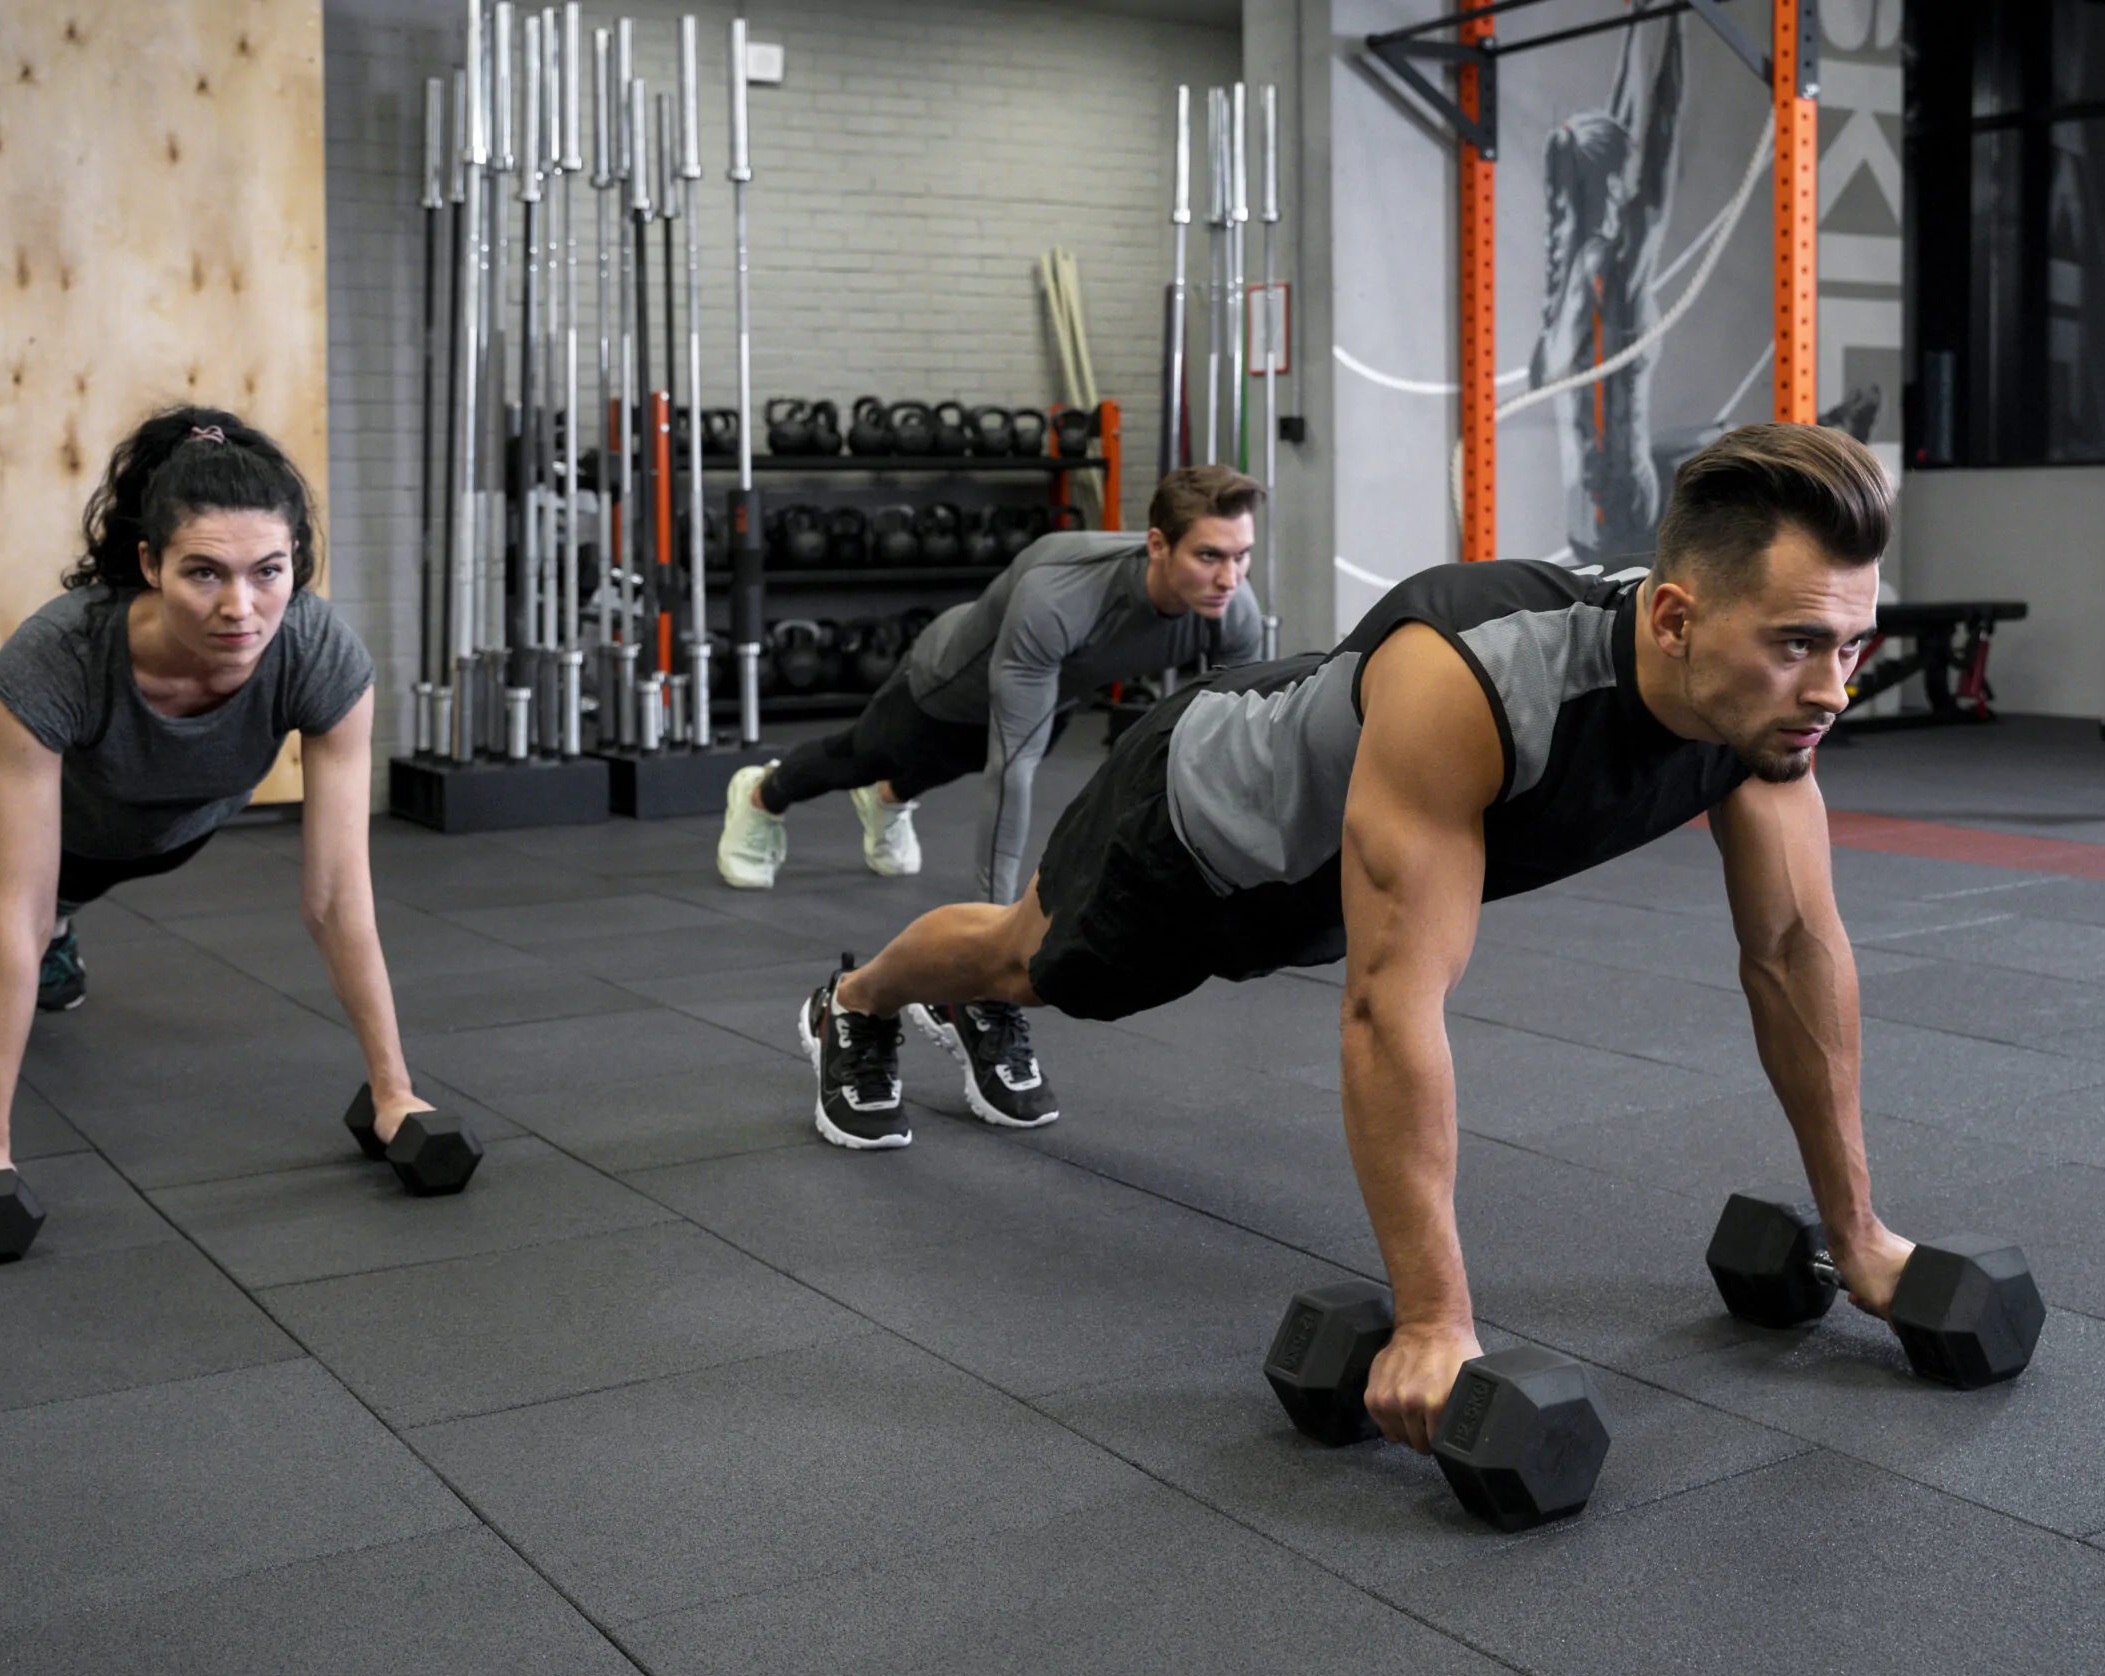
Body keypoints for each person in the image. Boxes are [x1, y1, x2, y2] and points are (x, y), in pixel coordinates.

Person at [795, 421, 1920, 1452]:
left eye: (1851, 648)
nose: (1833, 689)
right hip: (1199, 829)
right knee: (1027, 962)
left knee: (1068, 963)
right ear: (1674, 619)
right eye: (1801, 644)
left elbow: (1792, 952)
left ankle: (922, 1000)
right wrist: (1433, 1323)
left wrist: (1859, 1233)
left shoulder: (1760, 707)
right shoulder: (1473, 678)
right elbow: (1391, 1005)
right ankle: (858, 1002)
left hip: (1332, 872)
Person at [0, 405, 444, 1212]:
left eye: (268, 571)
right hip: (32, 804)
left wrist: (395, 1091)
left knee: (79, 886)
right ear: (150, 564)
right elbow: (16, 922)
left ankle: (67, 917)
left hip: (170, 824)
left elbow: (337, 896)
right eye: (205, 573)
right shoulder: (57, 656)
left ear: (296, 561)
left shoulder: (319, 653)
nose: (241, 607)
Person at [720, 464, 1267, 1128]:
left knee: (945, 767)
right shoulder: (1059, 594)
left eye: (1241, 555)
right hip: (943, 687)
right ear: (1158, 545)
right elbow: (1011, 772)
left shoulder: (1230, 612)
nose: (1230, 577)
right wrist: (989, 952)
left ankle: (889, 800)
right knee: (861, 756)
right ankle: (762, 795)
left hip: (1049, 692)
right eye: (1209, 556)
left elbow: (1232, 745)